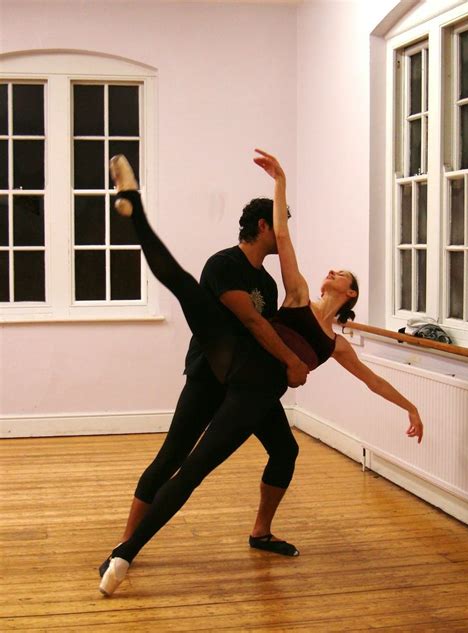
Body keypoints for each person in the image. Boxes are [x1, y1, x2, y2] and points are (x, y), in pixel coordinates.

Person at [99, 151, 423, 597]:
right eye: (332, 269)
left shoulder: (332, 340)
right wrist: (281, 179)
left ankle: (258, 533)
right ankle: (125, 550)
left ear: (349, 294)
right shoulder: (295, 293)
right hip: (228, 367)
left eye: (341, 274)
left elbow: (372, 379)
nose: (330, 271)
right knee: (182, 289)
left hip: (256, 390)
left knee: (269, 453)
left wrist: (410, 406)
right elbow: (279, 253)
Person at [99, 188, 310, 582]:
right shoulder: (224, 264)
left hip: (247, 386)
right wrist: (292, 360)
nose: (284, 236)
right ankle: (124, 546)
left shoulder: (267, 282)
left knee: (285, 449)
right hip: (209, 378)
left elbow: (266, 331)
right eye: (280, 227)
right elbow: (251, 322)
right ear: (263, 225)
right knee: (171, 458)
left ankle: (261, 532)